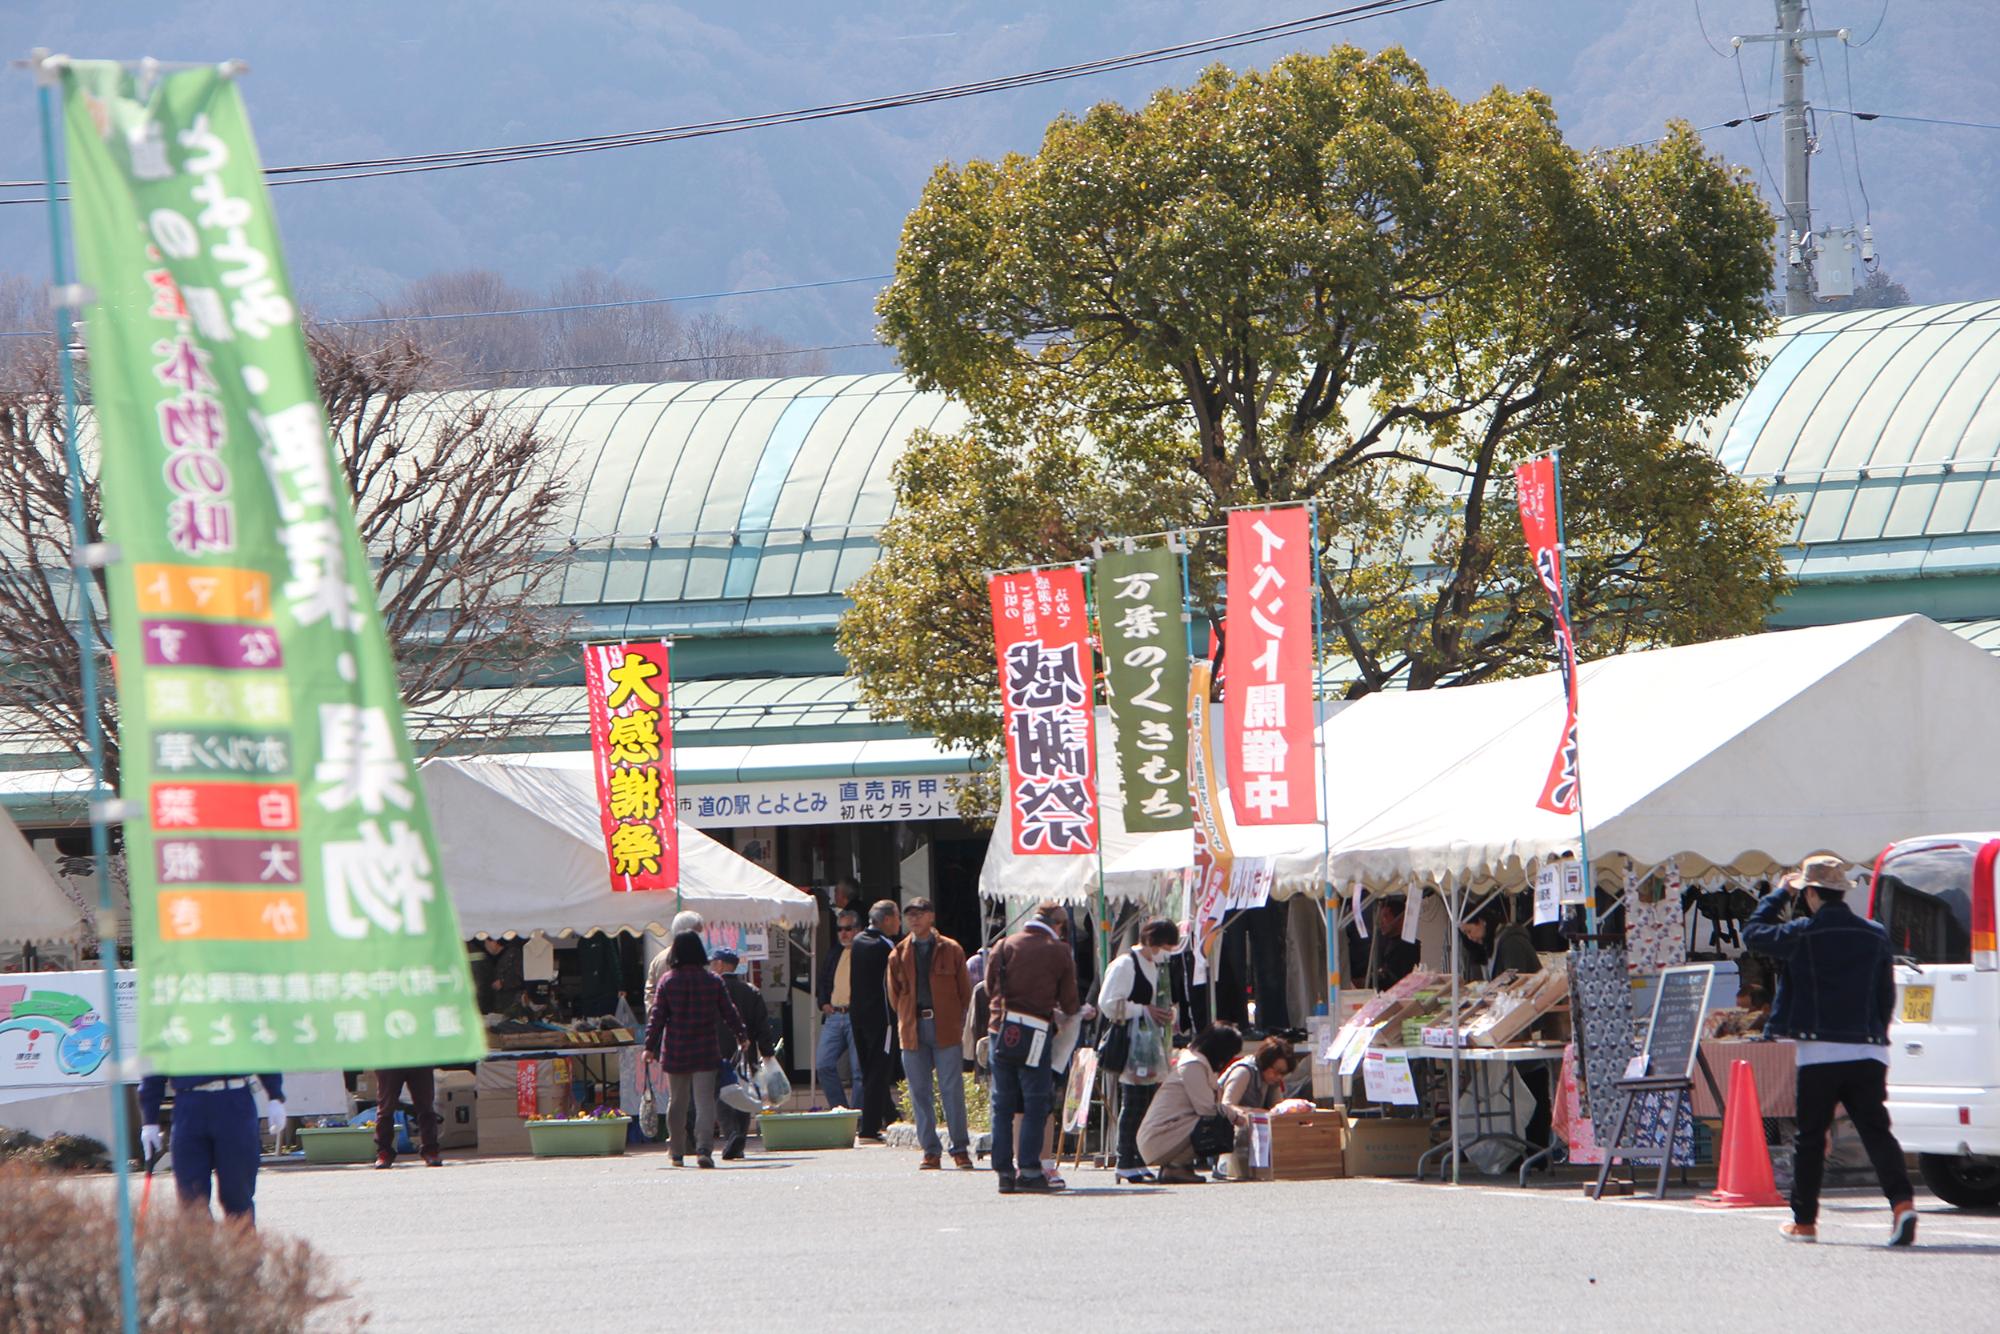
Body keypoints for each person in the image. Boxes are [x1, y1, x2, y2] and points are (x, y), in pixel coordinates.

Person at [1744, 854, 1916, 1247]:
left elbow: (1753, 934)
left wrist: (1777, 895)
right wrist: (1876, 1034)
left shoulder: (1802, 932)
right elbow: (1884, 995)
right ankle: (1903, 1205)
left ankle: (1804, 1223)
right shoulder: (1875, 934)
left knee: (1810, 1137)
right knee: (1877, 1132)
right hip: (1867, 1051)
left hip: (1818, 1053)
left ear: (1811, 895)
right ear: (1841, 893)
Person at [986, 900, 1079, 1195]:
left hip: (1000, 1028)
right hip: (1035, 1030)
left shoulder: (1004, 945)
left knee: (1002, 1103)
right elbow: (1069, 1002)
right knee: (1035, 1102)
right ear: (1058, 925)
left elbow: (989, 987)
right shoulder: (1058, 951)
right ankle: (1028, 1170)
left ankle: (1003, 1172)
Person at [644, 930, 750, 1169]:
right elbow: (729, 1011)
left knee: (677, 1102)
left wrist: (649, 1047)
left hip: (676, 1049)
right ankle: (704, 1150)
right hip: (705, 1049)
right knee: (704, 1102)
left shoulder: (668, 981)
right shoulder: (713, 980)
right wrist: (741, 1034)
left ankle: (677, 1151)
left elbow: (657, 1017)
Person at [1458, 901, 1552, 1161]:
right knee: (1522, 1085)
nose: (1471, 939)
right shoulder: (1499, 944)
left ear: (1483, 923)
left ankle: (1534, 1150)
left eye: (1471, 931)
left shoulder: (1510, 943)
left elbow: (1516, 983)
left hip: (1525, 1026)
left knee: (1530, 1084)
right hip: (1513, 1027)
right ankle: (1526, 1150)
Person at [886, 897, 975, 1170]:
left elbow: (965, 992)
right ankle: (930, 1151)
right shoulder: (898, 954)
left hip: (945, 1026)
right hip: (913, 1028)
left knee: (952, 1089)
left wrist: (956, 1022)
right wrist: (906, 1018)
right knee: (919, 1092)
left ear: (932, 917)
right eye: (910, 914)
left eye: (920, 913)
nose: (914, 919)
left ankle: (959, 1148)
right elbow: (894, 996)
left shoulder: (951, 949)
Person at [138, 1072, 285, 1223]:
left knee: (238, 1195)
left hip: (234, 1102)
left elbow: (261, 1051)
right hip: (188, 1105)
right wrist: (149, 1119)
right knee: (191, 1199)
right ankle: (202, 1246)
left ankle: (242, 1245)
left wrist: (275, 1096)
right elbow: (155, 1063)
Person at [1098, 916, 1181, 1183]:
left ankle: (1137, 1158)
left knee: (1146, 1101)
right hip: (1130, 1041)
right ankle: (1124, 1159)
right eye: (1164, 947)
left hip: (1148, 1041)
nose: (1165, 954)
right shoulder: (1125, 964)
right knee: (1132, 1100)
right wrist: (1142, 1009)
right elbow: (1108, 1003)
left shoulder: (1153, 965)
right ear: (1154, 942)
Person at [1136, 1023, 1246, 1184]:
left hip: (1162, 1135)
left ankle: (1177, 1166)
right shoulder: (1193, 1066)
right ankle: (1176, 1166)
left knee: (1215, 1120)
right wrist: (1234, 1115)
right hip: (1158, 1138)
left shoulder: (1196, 1061)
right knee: (1216, 1124)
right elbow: (1207, 1109)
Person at [709, 948, 774, 1160]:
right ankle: (741, 1139)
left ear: (720, 964)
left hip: (718, 1050)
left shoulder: (712, 989)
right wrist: (767, 1053)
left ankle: (731, 1135)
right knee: (745, 1092)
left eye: (713, 962)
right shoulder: (751, 991)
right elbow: (763, 1026)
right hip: (747, 1052)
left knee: (723, 1092)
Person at [848, 899, 902, 1143]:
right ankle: (869, 1128)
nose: (900, 923)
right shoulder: (886, 946)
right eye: (898, 917)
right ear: (888, 919)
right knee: (879, 1070)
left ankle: (891, 1118)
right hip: (883, 1017)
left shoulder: (857, 941)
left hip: (858, 1016)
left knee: (869, 1069)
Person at [1216, 1036, 1294, 1178]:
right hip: (1225, 1128)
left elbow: (1277, 1109)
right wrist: (1257, 1112)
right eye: (1277, 1071)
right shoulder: (1244, 1071)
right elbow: (1226, 1105)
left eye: (1283, 1074)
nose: (1279, 1077)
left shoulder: (1271, 1079)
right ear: (1265, 1062)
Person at [814, 909, 865, 1108]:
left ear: (858, 929)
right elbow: (824, 979)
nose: (843, 933)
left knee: (858, 1071)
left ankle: (859, 1115)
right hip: (834, 1015)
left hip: (856, 1016)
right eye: (839, 929)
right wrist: (823, 1002)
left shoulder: (865, 950)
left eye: (848, 928)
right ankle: (840, 1109)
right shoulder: (835, 951)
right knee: (824, 1065)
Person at [371, 1066, 442, 1169]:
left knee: (426, 1107)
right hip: (389, 1057)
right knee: (385, 1109)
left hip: (419, 1056)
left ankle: (431, 1150)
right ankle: (383, 1153)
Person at [1365, 896, 1421, 990]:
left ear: (1400, 918)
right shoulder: (1379, 942)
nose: (1381, 922)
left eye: (1386, 916)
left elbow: (1397, 978)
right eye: (1381, 917)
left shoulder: (1408, 946)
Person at [476, 937, 525, 1014]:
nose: (486, 947)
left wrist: (503, 983)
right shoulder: (487, 959)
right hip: (495, 1006)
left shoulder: (513, 954)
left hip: (511, 1005)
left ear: (494, 942)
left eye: (487, 943)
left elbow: (520, 975)